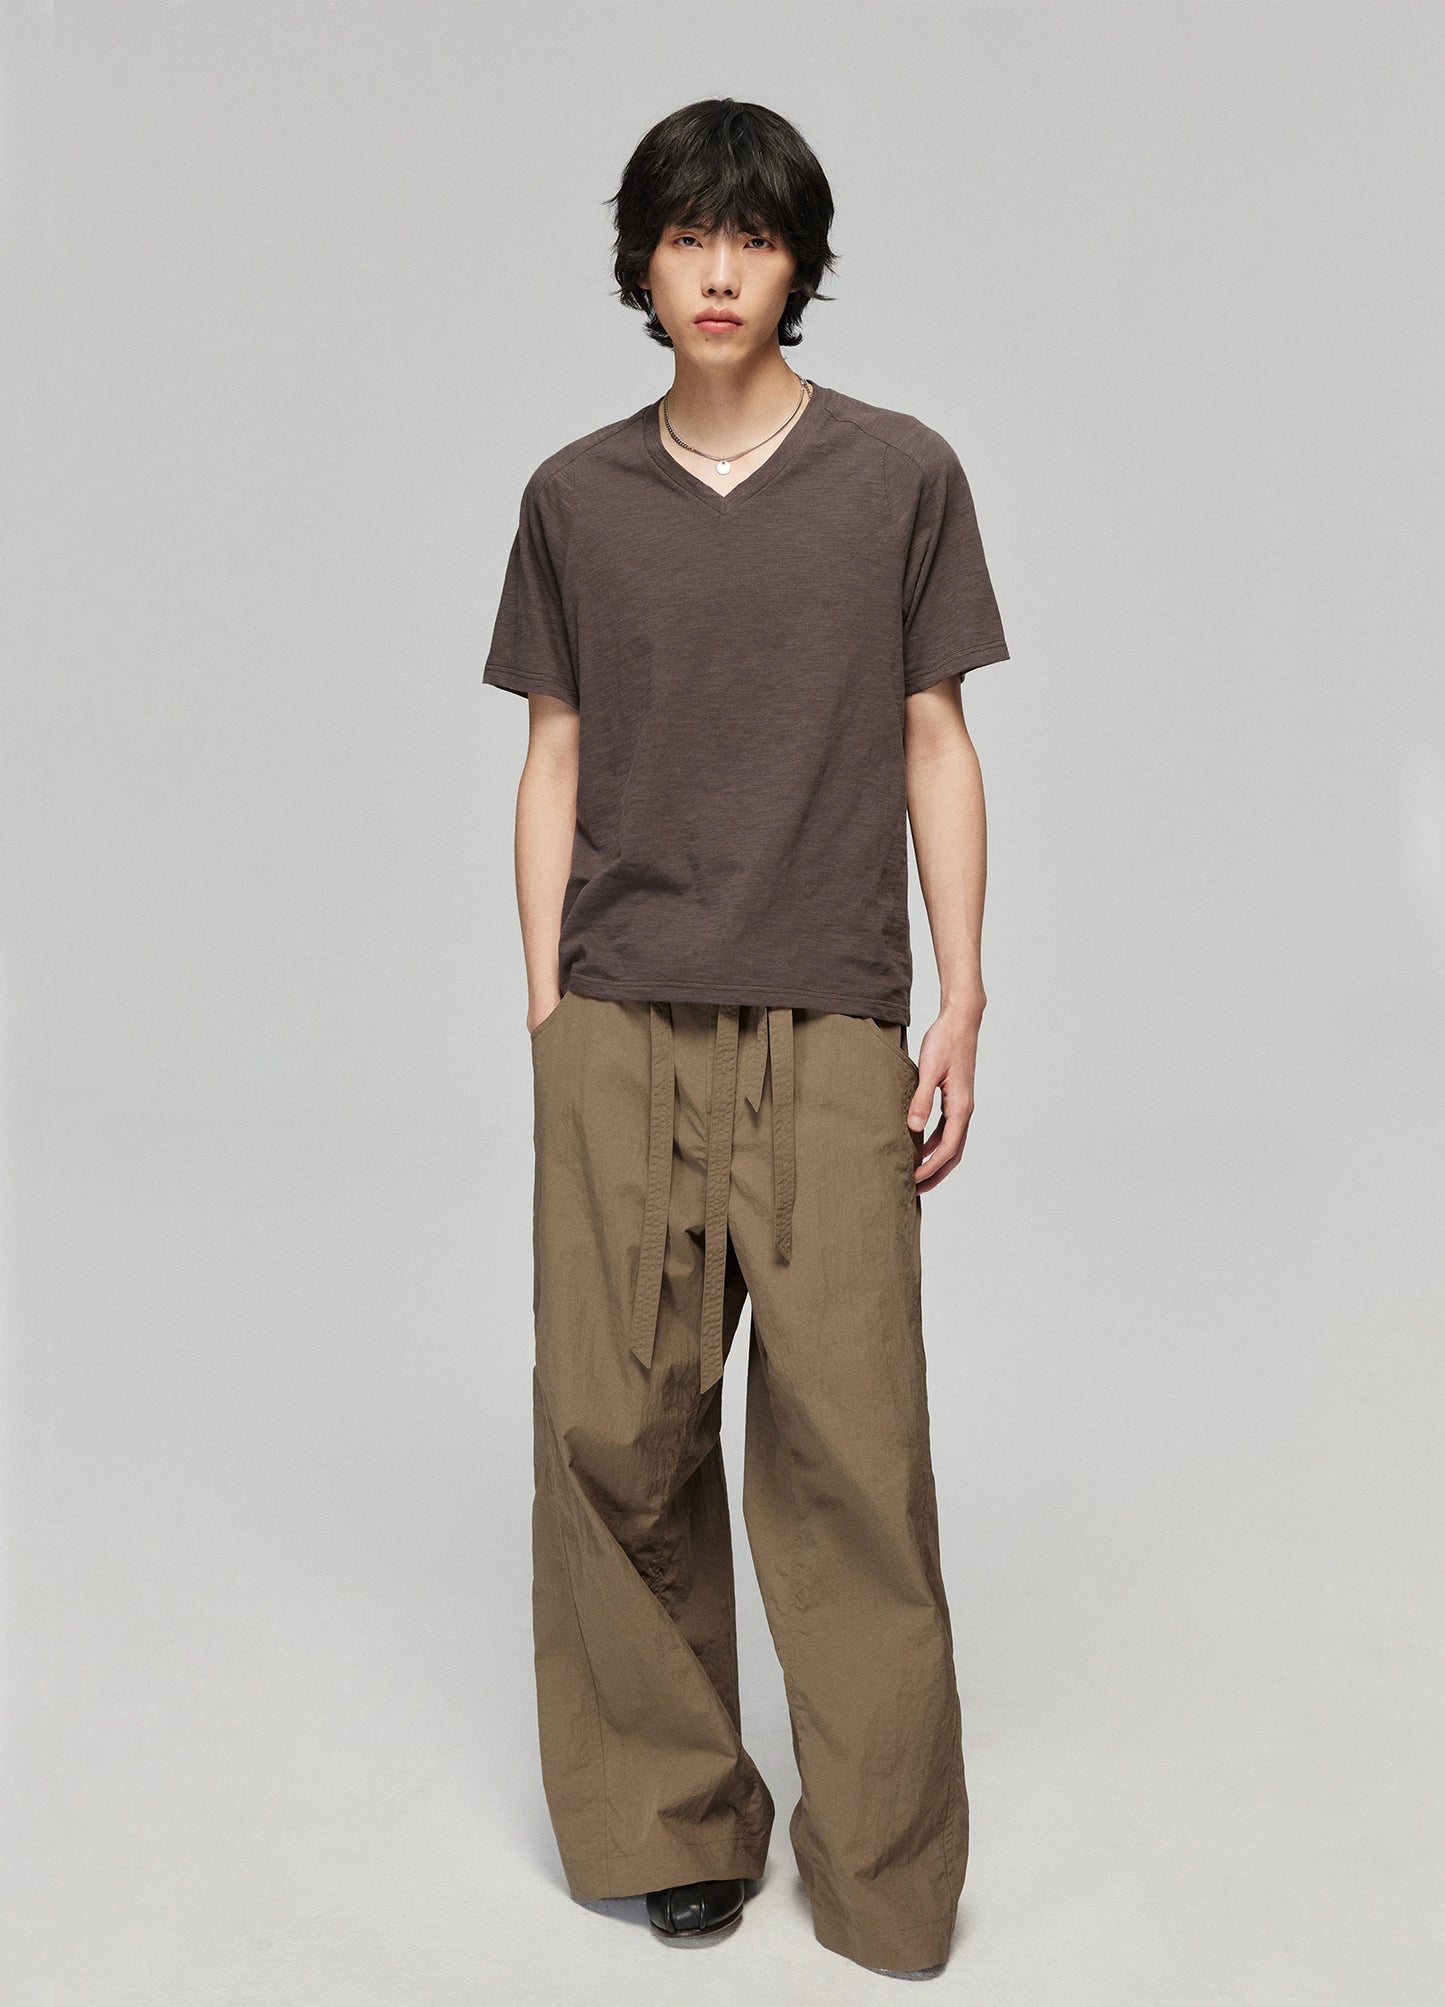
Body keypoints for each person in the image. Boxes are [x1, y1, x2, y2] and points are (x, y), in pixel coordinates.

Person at [482, 97, 1009, 1977]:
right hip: (620, 1012)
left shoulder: (898, 475)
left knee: (853, 1450)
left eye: (753, 238)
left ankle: (885, 1878)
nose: (719, 271)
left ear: (799, 263)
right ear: (641, 262)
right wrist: (546, 1008)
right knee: (610, 1430)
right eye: (687, 236)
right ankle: (673, 1821)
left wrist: (959, 992)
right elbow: (550, 755)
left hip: (833, 1010)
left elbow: (933, 738)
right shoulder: (573, 497)